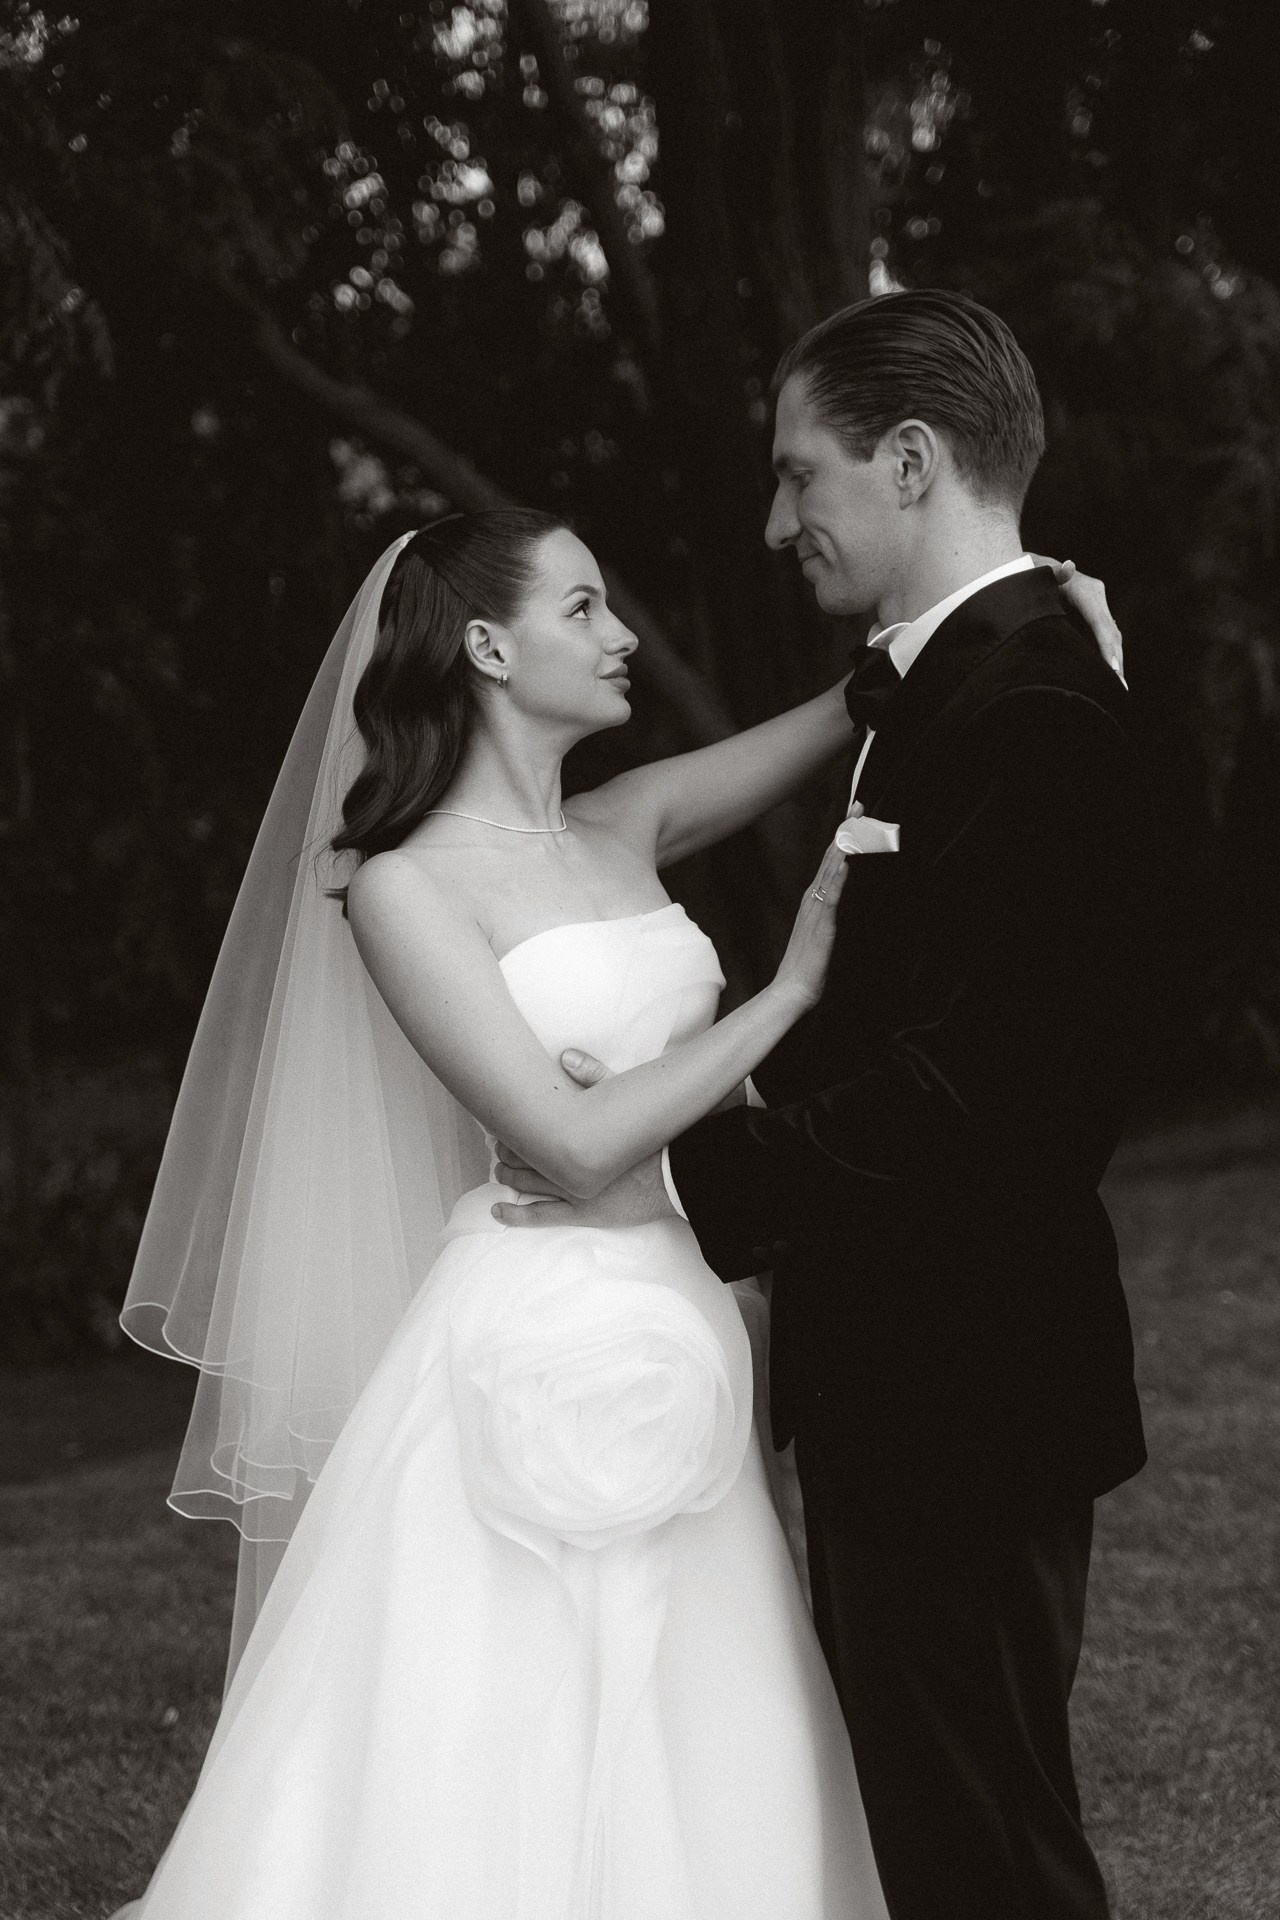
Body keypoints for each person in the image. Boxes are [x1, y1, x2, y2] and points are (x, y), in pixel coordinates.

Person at [115, 469, 1120, 1912]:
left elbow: (876, 698)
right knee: (508, 1707)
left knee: (709, 1697)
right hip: (538, 1331)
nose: (622, 633)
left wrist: (1045, 607)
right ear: (487, 646)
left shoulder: (624, 820)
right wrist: (784, 998)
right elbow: (575, 1146)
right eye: (583, 607)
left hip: (695, 1306)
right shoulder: (403, 887)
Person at [493, 291, 1150, 1920]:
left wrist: (688, 1165)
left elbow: (993, 1092)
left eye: (802, 475)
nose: (777, 522)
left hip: (965, 1383)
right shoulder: (942, 684)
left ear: (910, 462)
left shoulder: (1032, 701)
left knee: (986, 1854)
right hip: (908, 1374)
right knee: (934, 1834)